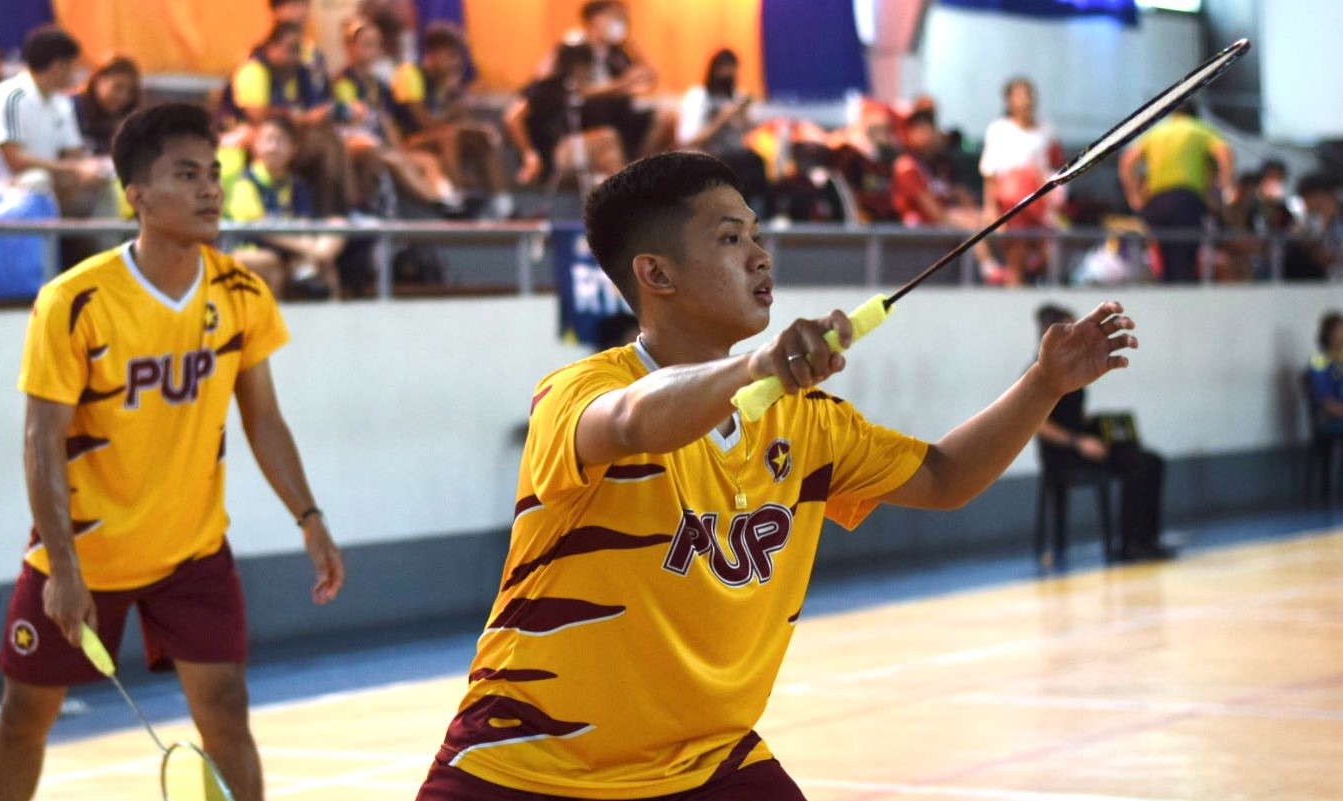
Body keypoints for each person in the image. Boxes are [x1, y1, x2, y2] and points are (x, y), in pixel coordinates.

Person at [414, 151, 1141, 799]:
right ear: (656, 274)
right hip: (524, 765)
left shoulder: (809, 422)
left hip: (707, 765)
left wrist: (1042, 385)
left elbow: (946, 478)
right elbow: (634, 421)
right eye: (730, 239)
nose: (761, 256)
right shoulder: (578, 393)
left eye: (757, 235)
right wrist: (754, 368)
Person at [0, 102, 345, 801]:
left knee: (227, 709)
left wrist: (310, 517)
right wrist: (63, 566)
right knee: (24, 718)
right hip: (88, 550)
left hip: (191, 551)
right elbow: (40, 439)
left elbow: (264, 419)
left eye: (214, 173)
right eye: (187, 175)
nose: (210, 190)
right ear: (136, 195)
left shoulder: (241, 292)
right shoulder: (73, 301)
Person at [1032, 304, 1170, 562]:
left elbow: (1071, 412)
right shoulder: (1037, 372)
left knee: (1149, 460)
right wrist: (1077, 442)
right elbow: (1039, 424)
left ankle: (1146, 539)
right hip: (1065, 453)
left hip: (1085, 442)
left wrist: (1101, 425)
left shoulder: (1070, 369)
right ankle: (1132, 545)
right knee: (1138, 464)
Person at [0, 27, 112, 221]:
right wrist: (73, 170)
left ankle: (105, 240)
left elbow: (75, 155)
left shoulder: (62, 103)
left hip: (49, 188)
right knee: (37, 180)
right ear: (58, 66)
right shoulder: (8, 97)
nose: (76, 74)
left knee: (104, 181)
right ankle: (48, 242)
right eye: (73, 66)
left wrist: (95, 169)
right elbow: (17, 161)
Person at [222, 20, 359, 216]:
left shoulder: (300, 73)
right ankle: (331, 213)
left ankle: (341, 211)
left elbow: (315, 107)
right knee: (324, 146)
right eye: (291, 49)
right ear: (272, 47)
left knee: (332, 139)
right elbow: (258, 117)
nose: (296, 56)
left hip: (287, 134)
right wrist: (308, 118)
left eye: (299, 50)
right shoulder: (254, 70)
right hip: (248, 136)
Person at [332, 15, 459, 214]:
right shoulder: (343, 82)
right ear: (349, 47)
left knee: (427, 160)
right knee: (398, 162)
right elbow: (350, 126)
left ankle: (448, 197)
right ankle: (436, 202)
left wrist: (399, 149)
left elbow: (387, 122)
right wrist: (391, 151)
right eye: (366, 44)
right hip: (362, 146)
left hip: (385, 145)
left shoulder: (379, 85)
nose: (372, 50)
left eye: (376, 45)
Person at [392, 23, 513, 219]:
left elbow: (460, 121)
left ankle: (503, 205)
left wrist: (472, 123)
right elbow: (423, 123)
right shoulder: (409, 74)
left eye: (459, 57)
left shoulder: (445, 83)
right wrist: (452, 108)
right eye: (450, 56)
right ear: (432, 55)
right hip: (408, 141)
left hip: (439, 135)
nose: (456, 63)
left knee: (482, 136)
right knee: (449, 135)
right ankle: (459, 198)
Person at [221, 113, 345, 298]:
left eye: (280, 141)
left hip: (293, 251)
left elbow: (303, 224)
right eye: (268, 140)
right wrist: (312, 250)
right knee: (272, 263)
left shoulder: (297, 185)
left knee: (336, 231)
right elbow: (260, 228)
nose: (273, 148)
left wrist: (310, 251)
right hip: (251, 250)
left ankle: (334, 308)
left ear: (293, 149)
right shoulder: (246, 182)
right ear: (256, 145)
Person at [1118, 101, 1233, 283]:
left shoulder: (1156, 132)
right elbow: (1224, 155)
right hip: (1188, 199)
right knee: (1185, 257)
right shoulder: (1199, 129)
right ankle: (1181, 294)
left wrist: (1134, 195)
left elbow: (1127, 161)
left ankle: (1167, 289)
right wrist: (1221, 188)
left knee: (1164, 256)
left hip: (1157, 201)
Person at [504, 41, 624, 193]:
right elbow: (512, 118)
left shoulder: (567, 88)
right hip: (552, 155)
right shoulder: (546, 87)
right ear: (579, 67)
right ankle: (624, 196)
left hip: (564, 150)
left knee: (606, 159)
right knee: (607, 138)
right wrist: (529, 154)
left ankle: (616, 198)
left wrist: (625, 84)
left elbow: (591, 91)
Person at [977, 77, 1063, 286]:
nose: (1026, 100)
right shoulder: (998, 129)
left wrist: (1053, 208)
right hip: (1010, 206)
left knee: (1050, 258)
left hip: (1040, 206)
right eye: (1020, 95)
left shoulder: (1047, 131)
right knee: (1017, 256)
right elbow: (990, 172)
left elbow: (1053, 169)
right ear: (1008, 100)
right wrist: (990, 209)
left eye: (1029, 95)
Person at [554, 0, 663, 160]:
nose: (621, 24)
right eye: (615, 17)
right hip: (588, 119)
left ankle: (641, 164)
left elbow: (645, 80)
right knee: (609, 134)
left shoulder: (618, 52)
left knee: (664, 118)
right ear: (595, 19)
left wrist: (633, 51)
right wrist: (623, 84)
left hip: (620, 115)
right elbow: (580, 91)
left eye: (623, 19)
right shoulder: (575, 49)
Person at [677, 49, 771, 219]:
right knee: (749, 162)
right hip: (707, 155)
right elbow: (689, 140)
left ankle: (759, 212)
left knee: (755, 161)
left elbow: (746, 132)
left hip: (735, 156)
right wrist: (722, 118)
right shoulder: (698, 97)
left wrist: (743, 113)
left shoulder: (735, 97)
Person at [892, 107, 980, 230]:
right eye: (920, 130)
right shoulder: (906, 166)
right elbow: (936, 214)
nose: (926, 136)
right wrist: (970, 222)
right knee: (976, 230)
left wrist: (977, 217)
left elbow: (965, 197)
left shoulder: (942, 163)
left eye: (929, 128)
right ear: (910, 134)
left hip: (951, 228)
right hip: (920, 233)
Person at [72, 56, 140, 158]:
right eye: (118, 87)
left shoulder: (126, 123)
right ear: (99, 80)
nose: (123, 97)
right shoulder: (69, 109)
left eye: (130, 92)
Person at [1311, 311, 1343, 437]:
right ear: (1329, 335)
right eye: (1339, 330)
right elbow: (1324, 401)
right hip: (1332, 418)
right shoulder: (1319, 361)